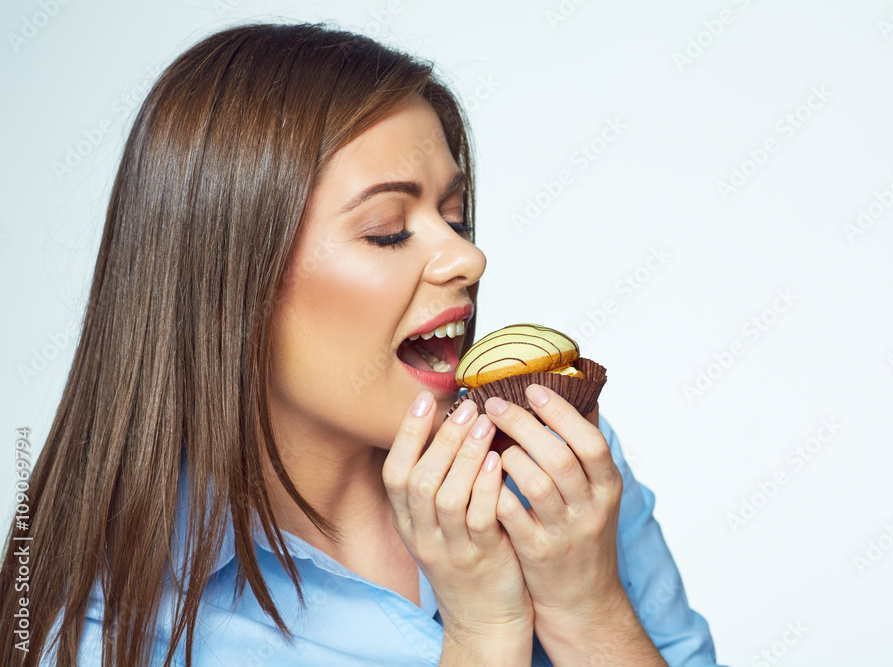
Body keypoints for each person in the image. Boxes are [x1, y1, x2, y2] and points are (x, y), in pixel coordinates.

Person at [0, 22, 723, 666]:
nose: (467, 260)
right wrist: (485, 632)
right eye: (388, 229)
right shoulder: (106, 625)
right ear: (229, 290)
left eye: (457, 219)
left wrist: (587, 607)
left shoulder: (554, 472)